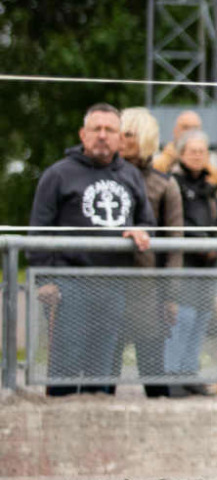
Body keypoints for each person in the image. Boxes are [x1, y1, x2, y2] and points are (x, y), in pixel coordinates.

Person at [27, 103, 155, 396]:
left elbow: (147, 221)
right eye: (96, 129)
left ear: (120, 138)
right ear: (82, 135)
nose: (102, 135)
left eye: (110, 130)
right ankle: (59, 428)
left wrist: (140, 230)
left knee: (105, 370)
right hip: (70, 285)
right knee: (66, 368)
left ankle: (100, 432)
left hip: (114, 285)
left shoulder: (131, 176)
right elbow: (38, 229)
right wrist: (45, 280)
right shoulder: (57, 175)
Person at [120, 107, 185, 398]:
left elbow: (175, 245)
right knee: (102, 371)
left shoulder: (164, 184)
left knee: (154, 372)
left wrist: (171, 294)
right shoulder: (105, 179)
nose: (119, 139)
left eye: (128, 134)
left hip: (148, 291)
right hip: (108, 284)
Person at [165, 131, 217, 393]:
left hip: (207, 269)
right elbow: (176, 221)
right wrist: (202, 242)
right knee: (183, 318)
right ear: (181, 154)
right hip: (183, 265)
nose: (197, 155)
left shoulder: (212, 188)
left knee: (202, 317)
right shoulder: (173, 184)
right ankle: (170, 377)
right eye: (192, 150)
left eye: (202, 151)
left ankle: (188, 372)